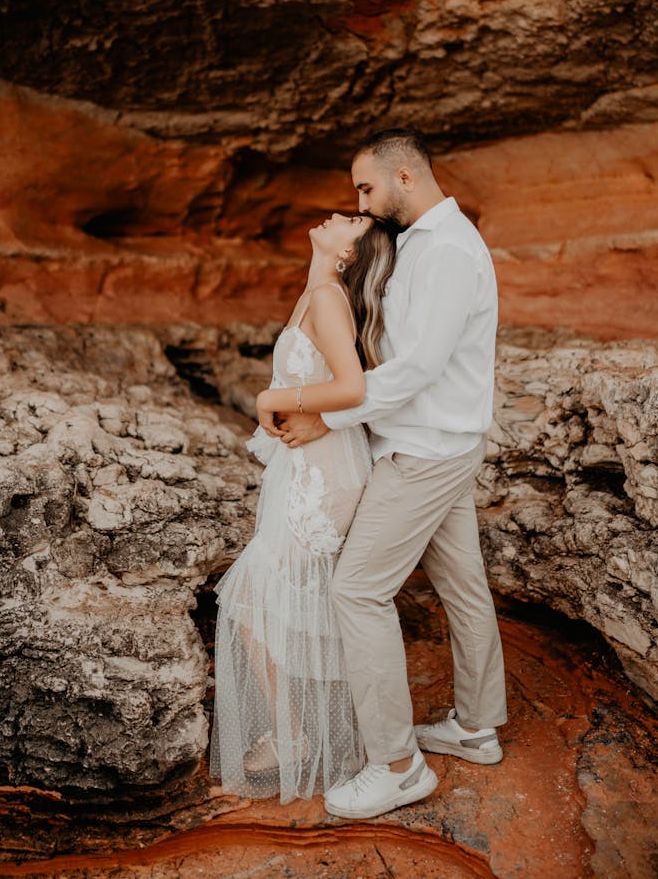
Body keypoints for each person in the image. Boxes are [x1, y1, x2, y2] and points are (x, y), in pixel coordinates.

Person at [275, 129, 507, 820]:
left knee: (357, 591)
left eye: (367, 188)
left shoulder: (448, 252)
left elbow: (415, 369)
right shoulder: (426, 245)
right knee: (463, 583)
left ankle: (397, 766)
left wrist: (328, 419)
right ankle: (476, 727)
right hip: (439, 442)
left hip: (424, 451)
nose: (361, 203)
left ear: (406, 176)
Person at [209, 211, 398, 804]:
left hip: (324, 474)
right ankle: (299, 730)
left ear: (349, 253)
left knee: (254, 597)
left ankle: (299, 735)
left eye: (351, 219)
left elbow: (352, 388)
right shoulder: (315, 292)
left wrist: (272, 396)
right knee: (268, 600)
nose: (336, 213)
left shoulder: (328, 298)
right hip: (305, 465)